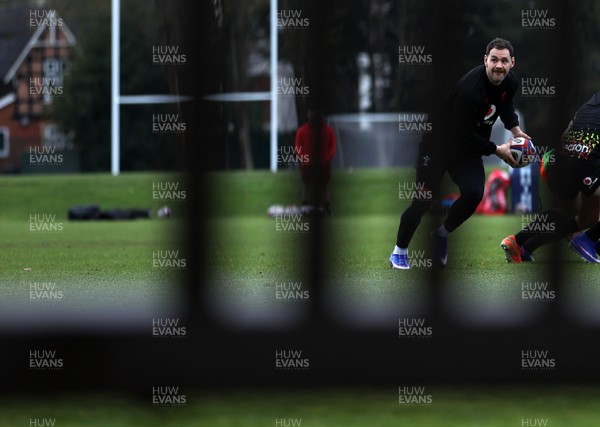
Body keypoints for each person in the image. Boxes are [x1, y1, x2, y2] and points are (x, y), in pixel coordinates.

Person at [389, 37, 530, 269]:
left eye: (504, 61)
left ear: (512, 62)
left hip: (466, 149)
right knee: (423, 201)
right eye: (494, 59)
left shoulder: (509, 82)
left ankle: (441, 234)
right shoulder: (469, 90)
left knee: (474, 193)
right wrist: (500, 151)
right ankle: (399, 251)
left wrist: (517, 131)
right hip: (438, 145)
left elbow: (505, 106)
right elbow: (463, 135)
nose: (498, 65)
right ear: (485, 60)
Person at [501, 92, 600, 263]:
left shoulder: (593, 101)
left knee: (573, 215)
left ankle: (520, 243)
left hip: (556, 161)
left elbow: (569, 129)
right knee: (585, 218)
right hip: (585, 162)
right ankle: (588, 240)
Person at [295, 109, 336, 215]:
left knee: (323, 186)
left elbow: (332, 146)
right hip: (308, 165)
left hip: (323, 164)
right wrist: (303, 158)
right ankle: (305, 208)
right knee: (307, 186)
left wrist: (328, 157)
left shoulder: (328, 130)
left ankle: (326, 208)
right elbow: (298, 147)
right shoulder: (302, 130)